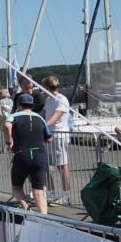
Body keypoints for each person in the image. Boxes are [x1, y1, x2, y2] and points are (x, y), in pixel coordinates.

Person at [4, 93, 52, 214]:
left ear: (18, 104)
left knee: (16, 187)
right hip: (39, 155)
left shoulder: (14, 116)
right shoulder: (40, 118)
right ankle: (45, 217)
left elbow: (7, 125)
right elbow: (50, 138)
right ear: (31, 105)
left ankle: (27, 209)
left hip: (22, 155)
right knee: (38, 191)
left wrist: (9, 141)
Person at [41, 75, 71, 204]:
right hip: (49, 136)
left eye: (43, 87)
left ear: (47, 87)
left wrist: (42, 126)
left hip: (59, 135)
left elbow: (56, 117)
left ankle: (66, 194)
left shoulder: (61, 99)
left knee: (62, 166)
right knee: (45, 166)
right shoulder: (48, 100)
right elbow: (44, 114)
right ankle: (51, 193)